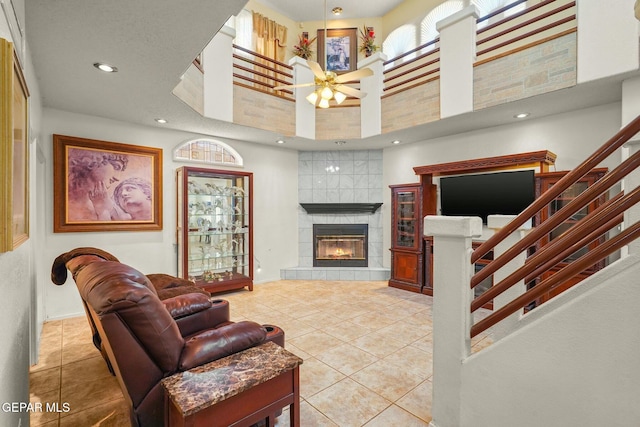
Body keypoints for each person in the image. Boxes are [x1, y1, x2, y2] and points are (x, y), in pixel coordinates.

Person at [67, 148, 129, 221]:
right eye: (116, 167)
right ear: (94, 160)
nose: (117, 178)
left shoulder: (105, 202)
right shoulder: (67, 198)